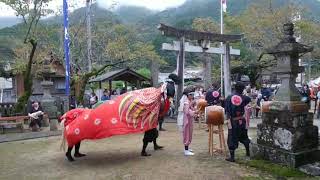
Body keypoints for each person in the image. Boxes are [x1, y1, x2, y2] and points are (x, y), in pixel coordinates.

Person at [225, 82, 251, 162]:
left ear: (235, 88)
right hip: (241, 120)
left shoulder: (229, 97)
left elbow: (227, 110)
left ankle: (232, 157)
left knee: (232, 137)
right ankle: (248, 153)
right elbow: (248, 100)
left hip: (233, 121)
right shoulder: (245, 98)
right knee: (244, 136)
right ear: (243, 89)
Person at [181, 90, 197, 156]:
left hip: (189, 120)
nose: (192, 96)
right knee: (187, 134)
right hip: (187, 121)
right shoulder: (186, 103)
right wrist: (194, 113)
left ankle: (187, 148)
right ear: (188, 95)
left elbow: (192, 109)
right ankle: (186, 150)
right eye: (191, 95)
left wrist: (195, 109)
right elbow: (187, 112)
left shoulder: (189, 102)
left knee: (189, 134)